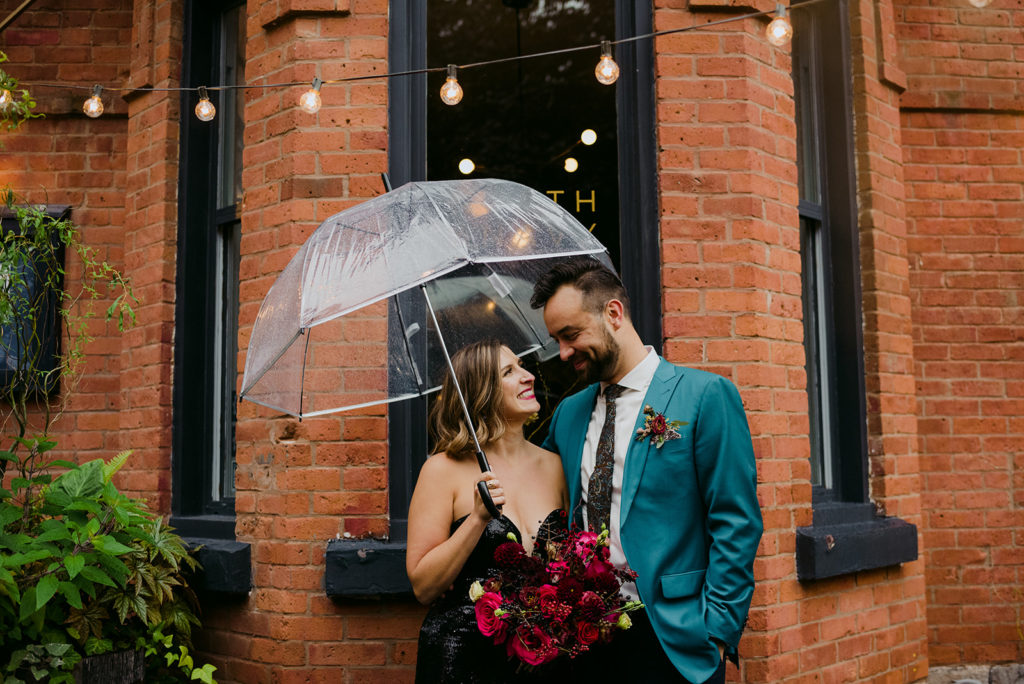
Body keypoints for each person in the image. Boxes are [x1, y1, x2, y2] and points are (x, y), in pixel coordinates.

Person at [530, 257, 763, 684]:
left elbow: (736, 522)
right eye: (556, 340)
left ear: (613, 314)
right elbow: (538, 493)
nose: (563, 353)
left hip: (674, 639)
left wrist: (716, 631)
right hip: (585, 641)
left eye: (571, 335)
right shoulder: (567, 414)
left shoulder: (704, 396)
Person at [407, 339, 569, 683]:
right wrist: (478, 519)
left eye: (522, 366)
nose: (528, 376)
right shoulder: (442, 470)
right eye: (509, 372)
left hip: (539, 661)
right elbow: (423, 587)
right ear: (481, 393)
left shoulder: (555, 467)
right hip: (464, 658)